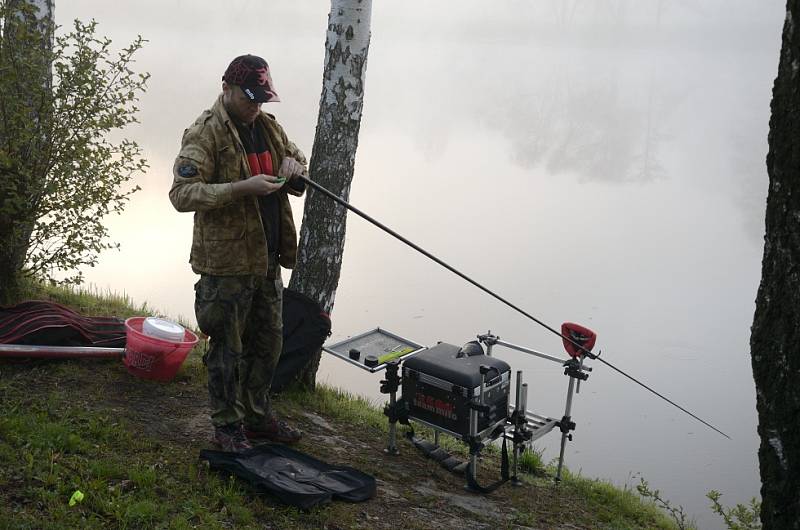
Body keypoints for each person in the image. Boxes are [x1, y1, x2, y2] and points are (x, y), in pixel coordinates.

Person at [169, 54, 308, 452]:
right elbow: (181, 195)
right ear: (226, 89)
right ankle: (227, 425)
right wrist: (240, 188)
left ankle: (257, 416)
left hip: (266, 258)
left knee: (269, 342)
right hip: (226, 263)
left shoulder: (268, 128)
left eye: (261, 99)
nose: (255, 107)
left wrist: (294, 167)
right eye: (249, 98)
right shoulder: (205, 132)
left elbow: (300, 163)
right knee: (227, 347)